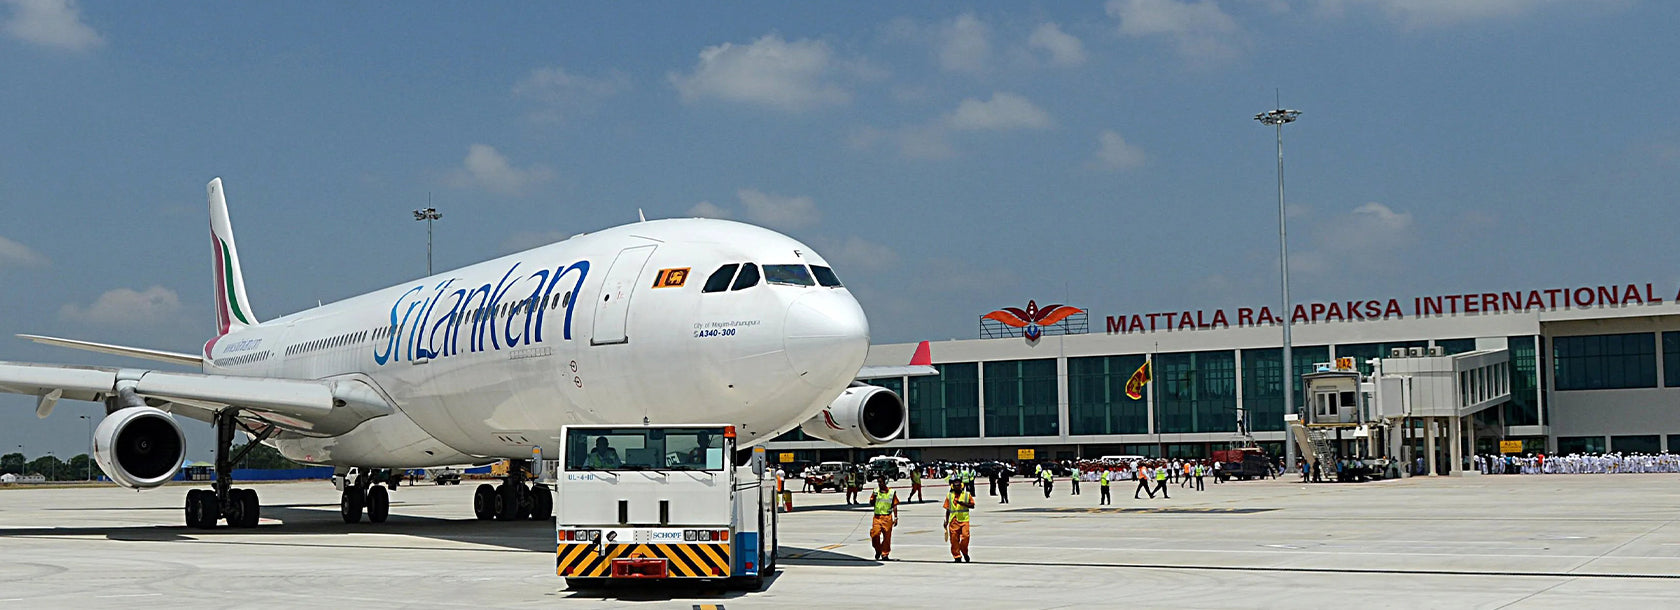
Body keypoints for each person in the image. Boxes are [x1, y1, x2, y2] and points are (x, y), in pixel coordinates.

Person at [943, 478, 974, 563]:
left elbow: (972, 505)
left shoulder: (967, 495)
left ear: (961, 486)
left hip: (964, 520)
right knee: (954, 540)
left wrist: (963, 504)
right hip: (953, 520)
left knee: (965, 537)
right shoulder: (949, 496)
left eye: (958, 485)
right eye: (955, 485)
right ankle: (957, 556)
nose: (957, 487)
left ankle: (964, 552)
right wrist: (946, 521)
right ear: (952, 486)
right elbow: (948, 509)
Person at [870, 477, 899, 561]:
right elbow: (871, 503)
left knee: (887, 537)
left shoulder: (891, 492)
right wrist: (874, 497)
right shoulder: (876, 491)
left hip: (887, 517)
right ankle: (878, 550)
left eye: (881, 482)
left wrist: (896, 517)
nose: (879, 484)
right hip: (877, 517)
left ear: (885, 482)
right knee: (875, 535)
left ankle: (885, 554)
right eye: (878, 482)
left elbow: (894, 505)